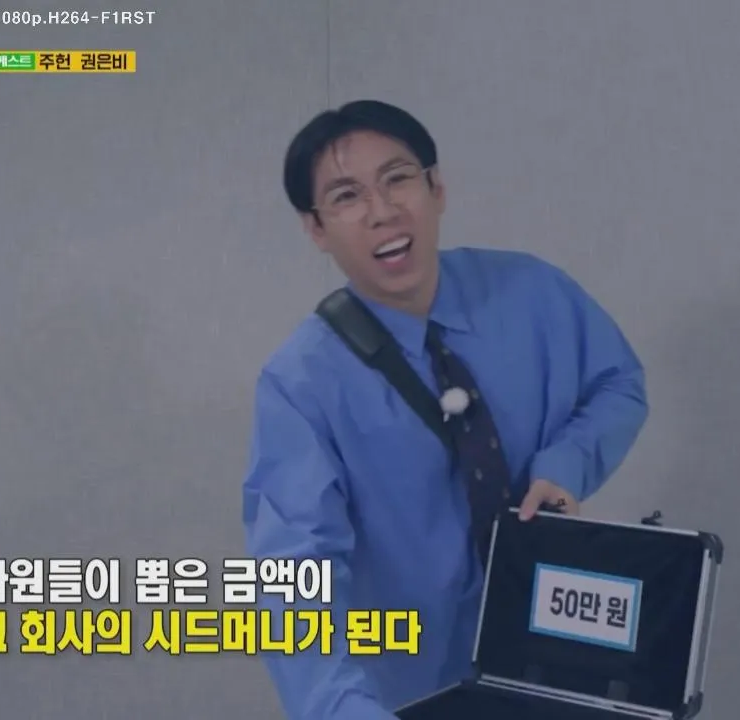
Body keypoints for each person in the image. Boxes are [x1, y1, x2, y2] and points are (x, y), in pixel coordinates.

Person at [242, 99, 648, 719]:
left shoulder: (531, 292)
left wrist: (566, 465)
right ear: (316, 229)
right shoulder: (300, 383)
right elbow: (294, 579)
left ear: (436, 188)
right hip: (411, 692)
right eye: (347, 197)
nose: (382, 211)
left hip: (559, 661)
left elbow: (618, 383)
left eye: (397, 179)